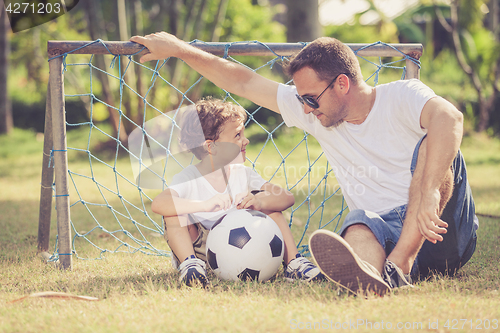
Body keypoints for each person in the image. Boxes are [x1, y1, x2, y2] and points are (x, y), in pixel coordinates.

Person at [132, 33, 478, 295]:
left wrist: (430, 189)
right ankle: (370, 279)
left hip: (439, 227)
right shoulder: (316, 114)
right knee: (357, 224)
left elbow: (450, 116)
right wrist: (178, 48)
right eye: (301, 100)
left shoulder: (402, 95)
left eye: (311, 99)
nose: (307, 109)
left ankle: (398, 265)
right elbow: (243, 80)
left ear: (342, 84)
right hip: (384, 230)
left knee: (433, 142)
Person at [151, 98, 323, 286]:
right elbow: (158, 204)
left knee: (271, 206)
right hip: (200, 248)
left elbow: (287, 198)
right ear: (211, 147)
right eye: (237, 135)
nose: (245, 140)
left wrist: (260, 201)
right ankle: (191, 265)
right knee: (174, 212)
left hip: (243, 245)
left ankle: (294, 264)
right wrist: (204, 205)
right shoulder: (190, 177)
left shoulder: (245, 174)